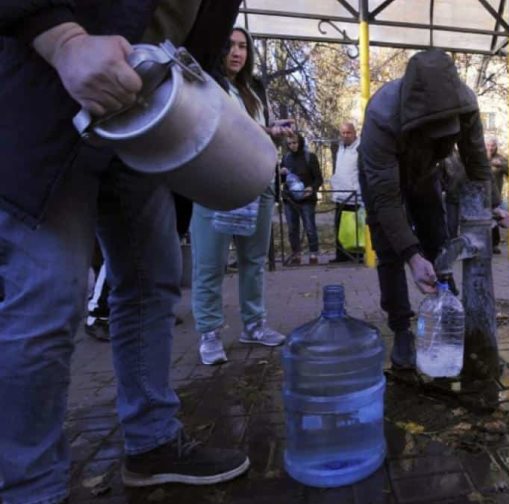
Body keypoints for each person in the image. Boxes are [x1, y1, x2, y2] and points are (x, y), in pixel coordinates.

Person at [0, 3, 253, 502]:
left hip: (144, 122)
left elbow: (198, 47)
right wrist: (62, 39)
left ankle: (152, 442)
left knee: (153, 279)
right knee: (48, 297)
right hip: (50, 103)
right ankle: (30, 488)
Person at [358, 49, 509, 370]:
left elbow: (476, 161)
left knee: (436, 234)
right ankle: (400, 329)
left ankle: (447, 305)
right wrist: (412, 256)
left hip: (427, 172)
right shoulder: (382, 117)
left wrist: (494, 203)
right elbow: (386, 200)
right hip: (383, 177)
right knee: (389, 249)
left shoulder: (465, 104)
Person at [190, 27, 289, 366]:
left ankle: (254, 324)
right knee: (210, 262)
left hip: (260, 182)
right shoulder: (206, 82)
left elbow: (259, 130)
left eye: (243, 47)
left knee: (254, 260)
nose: (237, 52)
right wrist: (266, 131)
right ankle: (209, 333)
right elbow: (221, 127)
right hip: (216, 182)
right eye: (230, 45)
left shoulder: (254, 87)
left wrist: (278, 133)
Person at [279, 132, 322, 266]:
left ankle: (313, 254)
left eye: (295, 143)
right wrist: (281, 174)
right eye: (290, 143)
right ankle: (296, 254)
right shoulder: (285, 159)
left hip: (307, 199)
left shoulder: (310, 157)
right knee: (292, 229)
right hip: (289, 199)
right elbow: (281, 180)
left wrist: (311, 188)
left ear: (300, 142)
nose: (293, 146)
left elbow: (318, 178)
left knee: (310, 227)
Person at [330, 121, 363, 264]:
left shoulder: (360, 148)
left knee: (354, 226)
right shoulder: (340, 148)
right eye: (343, 133)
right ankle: (341, 255)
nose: (345, 136)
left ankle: (357, 255)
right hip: (340, 194)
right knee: (339, 226)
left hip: (354, 194)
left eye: (348, 132)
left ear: (354, 133)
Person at [486, 137, 509, 254]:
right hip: (481, 195)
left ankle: (494, 244)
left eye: (493, 146)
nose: (490, 148)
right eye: (488, 145)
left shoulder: (501, 159)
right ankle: (484, 244)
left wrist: (502, 166)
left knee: (494, 221)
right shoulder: (480, 157)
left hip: (495, 195)